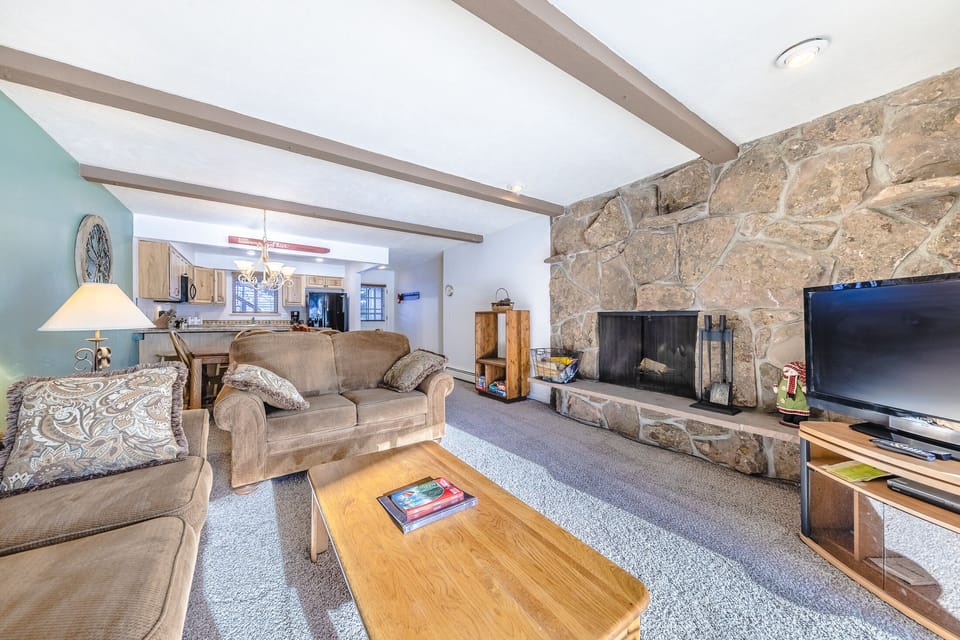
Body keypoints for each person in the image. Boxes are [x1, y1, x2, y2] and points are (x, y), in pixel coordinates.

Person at [773, 361, 810, 427]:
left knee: (799, 415)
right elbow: (782, 387)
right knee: (787, 417)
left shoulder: (799, 380)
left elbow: (803, 386)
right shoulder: (784, 379)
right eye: (787, 371)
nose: (789, 372)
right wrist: (777, 389)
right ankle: (789, 415)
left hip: (798, 401)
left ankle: (800, 418)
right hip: (788, 402)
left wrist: (804, 388)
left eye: (791, 371)